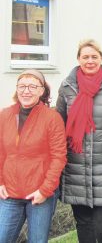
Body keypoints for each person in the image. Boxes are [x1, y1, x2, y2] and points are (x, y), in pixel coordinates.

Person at [56, 39, 102, 243]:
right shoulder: (68, 86)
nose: (90, 61)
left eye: (94, 56)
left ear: (101, 58)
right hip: (75, 167)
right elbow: (58, 125)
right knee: (84, 225)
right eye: (85, 57)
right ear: (78, 59)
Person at [0, 69, 67, 243]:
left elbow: (58, 157)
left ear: (41, 91)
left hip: (40, 194)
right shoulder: (5, 115)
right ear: (16, 89)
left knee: (37, 240)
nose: (26, 91)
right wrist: (0, 181)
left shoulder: (52, 118)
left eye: (32, 86)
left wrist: (45, 190)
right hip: (10, 193)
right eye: (22, 86)